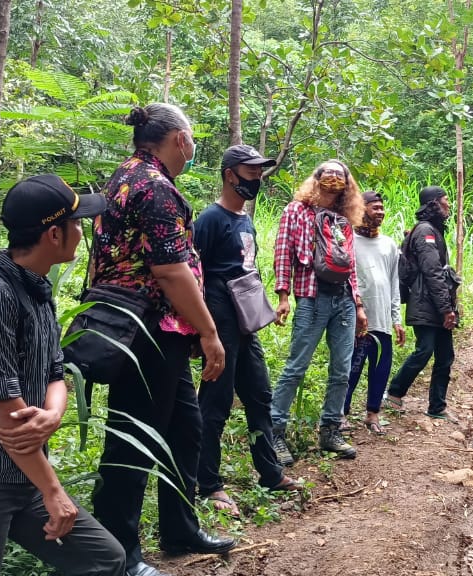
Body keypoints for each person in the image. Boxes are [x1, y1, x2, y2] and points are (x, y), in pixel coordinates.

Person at [0, 174, 124, 575]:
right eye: (77, 223)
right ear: (53, 234)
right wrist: (53, 491)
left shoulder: (36, 290)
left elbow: (54, 372)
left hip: (19, 472)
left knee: (103, 559)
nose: (81, 233)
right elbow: (6, 414)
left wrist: (53, 414)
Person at [89, 104, 234, 576]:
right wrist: (210, 333)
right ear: (177, 140)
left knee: (184, 430)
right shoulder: (154, 188)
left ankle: (179, 528)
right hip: (145, 331)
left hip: (158, 330)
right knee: (132, 440)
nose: (193, 147)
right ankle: (119, 554)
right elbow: (171, 271)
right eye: (191, 138)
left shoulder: (125, 177)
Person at [193, 145, 304, 517]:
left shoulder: (246, 219)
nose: (256, 177)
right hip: (219, 322)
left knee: (259, 395)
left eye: (259, 172)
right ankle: (207, 483)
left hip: (246, 323)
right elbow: (193, 274)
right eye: (250, 171)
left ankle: (270, 474)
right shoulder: (210, 219)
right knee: (215, 403)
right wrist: (203, 332)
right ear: (229, 174)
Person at [269, 160, 368, 463]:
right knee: (296, 367)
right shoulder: (296, 211)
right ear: (316, 178)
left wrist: (359, 305)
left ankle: (330, 431)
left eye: (340, 174)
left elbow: (349, 263)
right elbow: (283, 252)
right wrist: (283, 296)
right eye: (328, 172)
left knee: (341, 369)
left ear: (348, 184)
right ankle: (274, 432)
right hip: (311, 298)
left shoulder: (343, 217)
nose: (334, 177)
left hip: (344, 302)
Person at [385, 186, 459, 420]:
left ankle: (437, 407)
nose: (449, 204)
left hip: (435, 303)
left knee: (445, 355)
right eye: (446, 200)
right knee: (425, 350)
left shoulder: (432, 231)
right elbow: (433, 273)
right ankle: (395, 393)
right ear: (434, 203)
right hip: (426, 304)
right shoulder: (426, 232)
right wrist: (446, 308)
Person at [343, 191, 406, 434]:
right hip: (358, 318)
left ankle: (373, 414)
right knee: (352, 368)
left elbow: (393, 283)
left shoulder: (389, 244)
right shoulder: (349, 241)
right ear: (362, 209)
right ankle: (342, 413)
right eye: (374, 207)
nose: (379, 212)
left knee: (380, 369)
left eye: (381, 208)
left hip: (382, 319)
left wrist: (396, 319)